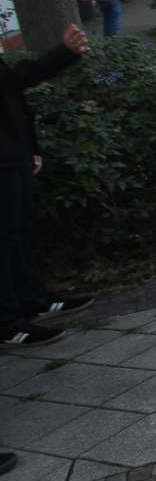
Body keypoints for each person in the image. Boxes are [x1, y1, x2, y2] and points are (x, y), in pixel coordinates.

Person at [0, 24, 95, 349]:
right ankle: (7, 323)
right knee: (4, 239)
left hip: (12, 153)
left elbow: (12, 99)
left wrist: (30, 146)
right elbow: (10, 82)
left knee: (19, 232)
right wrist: (62, 54)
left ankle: (33, 299)